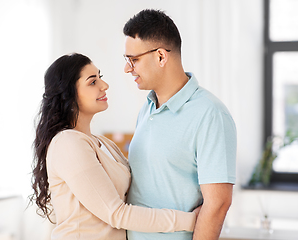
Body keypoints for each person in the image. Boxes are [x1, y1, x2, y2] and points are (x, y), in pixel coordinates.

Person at [30, 53, 201, 240]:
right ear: (69, 95)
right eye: (92, 82)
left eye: (100, 77)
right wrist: (192, 220)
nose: (104, 86)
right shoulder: (68, 143)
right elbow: (116, 213)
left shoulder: (104, 143)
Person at [123, 9, 237, 240]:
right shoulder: (147, 108)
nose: (127, 69)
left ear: (161, 57)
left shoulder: (210, 114)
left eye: (133, 60)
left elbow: (218, 204)